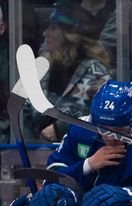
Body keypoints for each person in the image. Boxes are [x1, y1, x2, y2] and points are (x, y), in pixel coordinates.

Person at [42, 80, 132, 206]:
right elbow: (50, 177)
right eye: (104, 129)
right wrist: (88, 165)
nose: (111, 137)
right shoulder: (80, 130)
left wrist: (128, 198)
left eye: (118, 130)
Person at [33, 0, 111, 142]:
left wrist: (60, 128)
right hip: (34, 152)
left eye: (53, 28)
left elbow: (102, 115)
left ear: (69, 34)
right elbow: (25, 113)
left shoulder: (96, 72)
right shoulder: (42, 69)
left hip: (79, 150)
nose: (45, 33)